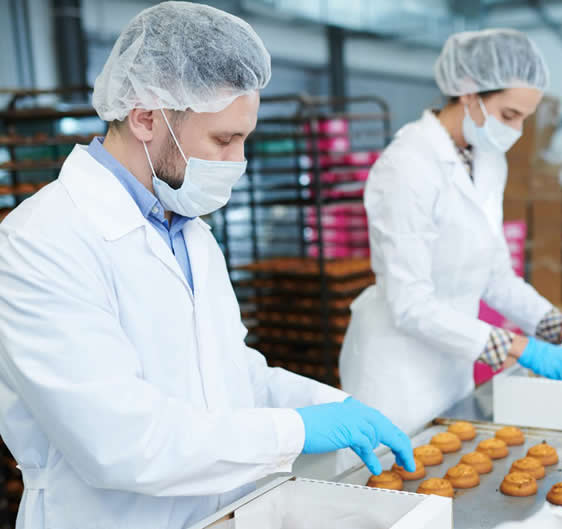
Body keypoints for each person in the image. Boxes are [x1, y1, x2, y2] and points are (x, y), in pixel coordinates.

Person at [0, 3, 413, 528]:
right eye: (224, 140)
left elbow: (229, 372)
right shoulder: (42, 241)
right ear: (146, 116)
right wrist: (294, 431)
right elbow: (119, 441)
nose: (237, 163)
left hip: (220, 513)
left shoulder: (188, 228)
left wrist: (335, 405)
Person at [339, 29, 562, 435]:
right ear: (469, 92)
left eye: (525, 119)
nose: (518, 131)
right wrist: (520, 348)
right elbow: (410, 303)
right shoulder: (407, 166)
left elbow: (496, 277)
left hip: (453, 364)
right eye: (509, 116)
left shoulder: (488, 162)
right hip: (398, 372)